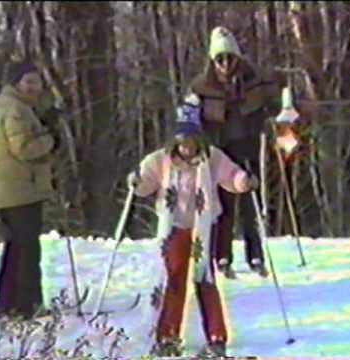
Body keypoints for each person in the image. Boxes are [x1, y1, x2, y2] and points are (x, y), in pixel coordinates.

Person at [127, 102, 258, 357]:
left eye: (192, 140)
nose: (187, 147)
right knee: (173, 279)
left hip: (203, 227)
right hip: (173, 227)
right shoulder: (161, 160)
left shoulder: (212, 158)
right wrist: (136, 181)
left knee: (204, 278)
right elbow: (145, 184)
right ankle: (168, 336)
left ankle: (216, 336)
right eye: (182, 141)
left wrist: (244, 181)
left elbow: (231, 177)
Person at [184, 26, 306, 278]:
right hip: (218, 152)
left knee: (251, 203)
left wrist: (285, 118)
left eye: (230, 58)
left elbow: (277, 106)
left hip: (248, 146)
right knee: (222, 204)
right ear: (212, 61)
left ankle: (256, 255)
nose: (225, 64)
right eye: (220, 59)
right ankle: (222, 256)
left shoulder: (254, 81)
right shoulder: (201, 87)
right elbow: (188, 119)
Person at [0, 60, 59, 320]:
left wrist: (43, 125)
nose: (33, 87)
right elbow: (24, 149)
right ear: (16, 83)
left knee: (17, 247)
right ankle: (24, 305)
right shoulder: (15, 109)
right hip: (19, 191)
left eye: (37, 82)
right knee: (27, 249)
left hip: (16, 190)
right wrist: (50, 137)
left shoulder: (15, 107)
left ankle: (6, 304)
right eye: (28, 81)